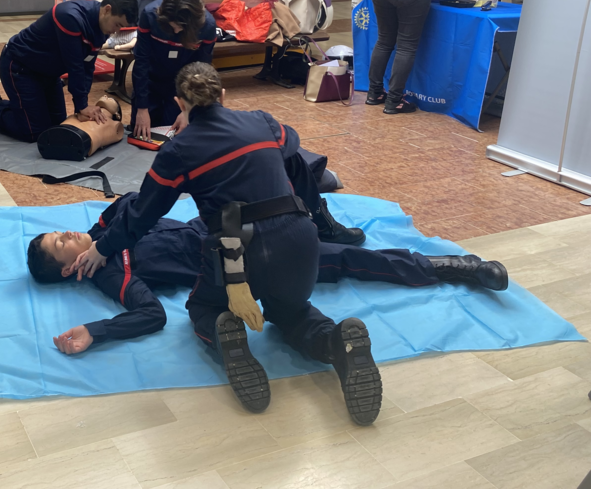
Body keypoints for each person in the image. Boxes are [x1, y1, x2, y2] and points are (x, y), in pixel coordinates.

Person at [70, 63, 380, 423]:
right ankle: (335, 343)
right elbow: (292, 148)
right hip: (300, 239)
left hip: (237, 253)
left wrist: (102, 247)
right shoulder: (263, 122)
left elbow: (142, 215)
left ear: (178, 103)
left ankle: (226, 337)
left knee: (202, 309)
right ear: (223, 95)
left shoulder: (177, 152)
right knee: (291, 310)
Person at [27, 192, 508, 354]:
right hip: (229, 259)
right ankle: (457, 268)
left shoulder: (107, 226)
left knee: (312, 227)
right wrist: (98, 330)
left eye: (61, 232)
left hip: (232, 220)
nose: (67, 233)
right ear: (70, 269)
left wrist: (101, 237)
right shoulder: (114, 277)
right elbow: (150, 314)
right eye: (61, 244)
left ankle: (448, 264)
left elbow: (138, 201)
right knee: (334, 262)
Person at [0, 0, 138, 142]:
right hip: (19, 68)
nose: (116, 32)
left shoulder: (102, 28)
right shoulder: (70, 17)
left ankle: (2, 103)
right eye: (117, 25)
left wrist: (82, 106)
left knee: (57, 125)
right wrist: (82, 106)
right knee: (34, 131)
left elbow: (87, 68)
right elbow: (75, 65)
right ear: (107, 9)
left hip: (48, 74)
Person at [131, 0, 216, 140]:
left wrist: (187, 110)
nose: (176, 31)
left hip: (181, 89)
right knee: (141, 133)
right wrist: (141, 107)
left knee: (174, 137)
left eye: (180, 27)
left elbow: (202, 72)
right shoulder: (150, 15)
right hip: (150, 81)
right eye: (171, 26)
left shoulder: (207, 26)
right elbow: (141, 62)